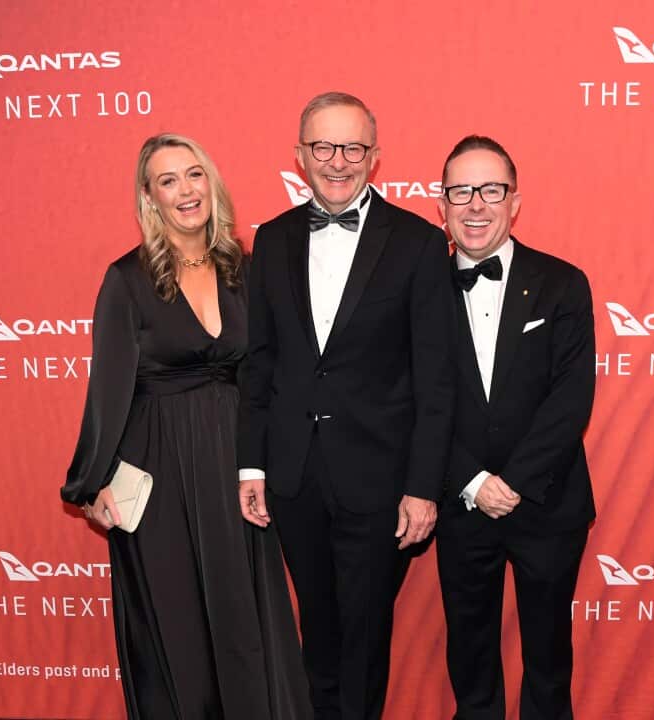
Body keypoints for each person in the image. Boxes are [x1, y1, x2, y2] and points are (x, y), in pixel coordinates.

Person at [61, 133, 311, 720]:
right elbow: (109, 389)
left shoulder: (245, 268)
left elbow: (269, 372)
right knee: (176, 626)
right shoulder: (126, 279)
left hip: (236, 461)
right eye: (168, 181)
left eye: (193, 175)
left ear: (212, 183)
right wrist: (91, 483)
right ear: (149, 198)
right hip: (159, 463)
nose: (185, 190)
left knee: (243, 615)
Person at [237, 92, 456, 720]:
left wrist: (422, 487)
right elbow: (262, 362)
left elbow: (436, 381)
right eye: (324, 147)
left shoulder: (417, 244)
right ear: (300, 155)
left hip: (380, 481)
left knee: (364, 640)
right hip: (294, 475)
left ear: (375, 157)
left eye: (353, 148)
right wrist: (251, 465)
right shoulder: (273, 240)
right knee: (318, 635)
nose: (339, 161)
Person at [434, 135, 596, 720]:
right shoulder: (417, 292)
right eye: (461, 191)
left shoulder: (563, 283)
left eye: (491, 190)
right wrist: (473, 482)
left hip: (548, 503)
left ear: (515, 200)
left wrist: (516, 482)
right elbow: (408, 401)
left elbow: (570, 399)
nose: (475, 205)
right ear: (441, 204)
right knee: (471, 662)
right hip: (461, 503)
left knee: (549, 665)